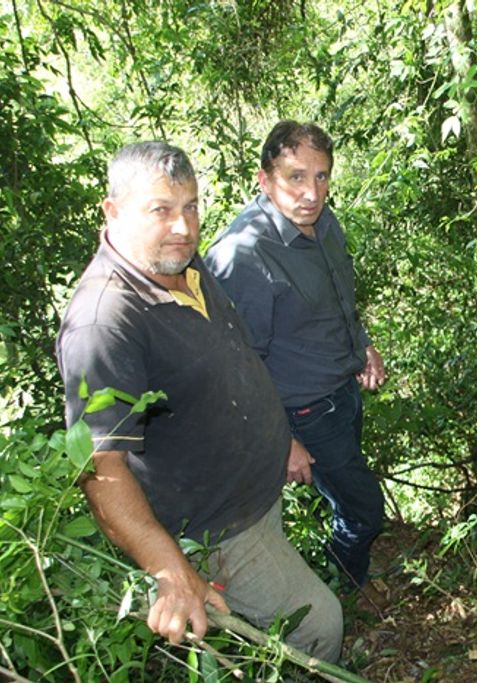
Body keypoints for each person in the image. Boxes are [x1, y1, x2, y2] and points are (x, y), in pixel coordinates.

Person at [56, 141, 344, 661]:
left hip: (258, 491)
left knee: (263, 639)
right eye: (160, 210)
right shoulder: (104, 323)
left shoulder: (182, 266)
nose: (183, 227)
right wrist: (171, 571)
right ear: (113, 211)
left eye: (190, 206)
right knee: (320, 627)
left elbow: (235, 358)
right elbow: (101, 467)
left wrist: (281, 439)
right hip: (218, 528)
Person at [205, 121, 385, 595]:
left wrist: (361, 344)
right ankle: (343, 586)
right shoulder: (244, 255)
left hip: (341, 389)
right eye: (296, 177)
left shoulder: (323, 223)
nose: (312, 192)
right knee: (365, 508)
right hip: (303, 410)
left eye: (321, 176)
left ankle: (342, 573)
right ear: (264, 179)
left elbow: (336, 296)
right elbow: (233, 369)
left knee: (347, 494)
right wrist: (282, 439)